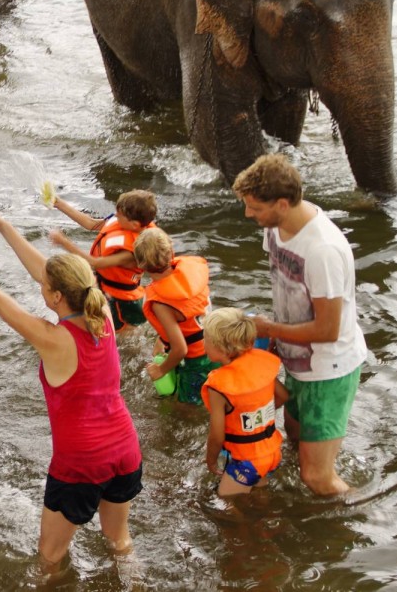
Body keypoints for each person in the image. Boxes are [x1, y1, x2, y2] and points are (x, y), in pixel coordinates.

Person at [0, 213, 143, 581]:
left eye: (44, 286)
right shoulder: (106, 317)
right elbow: (49, 272)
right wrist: (1, 226)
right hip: (125, 450)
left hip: (81, 463)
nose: (40, 285)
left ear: (57, 296)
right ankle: (139, 585)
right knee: (119, 541)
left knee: (49, 558)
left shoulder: (53, 339)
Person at [232, 153, 367, 496]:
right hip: (296, 360)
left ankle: (359, 516)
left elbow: (327, 331)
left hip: (329, 369)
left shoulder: (322, 250)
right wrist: (275, 338)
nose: (248, 215)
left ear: (281, 203)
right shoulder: (277, 229)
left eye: (255, 208)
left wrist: (269, 329)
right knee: (292, 441)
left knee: (316, 477)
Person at [201, 308, 288, 496]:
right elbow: (282, 395)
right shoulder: (260, 365)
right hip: (271, 451)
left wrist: (211, 460)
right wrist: (260, 414)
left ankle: (244, 526)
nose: (203, 343)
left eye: (205, 339)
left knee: (225, 503)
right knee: (259, 496)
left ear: (221, 347)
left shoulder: (218, 386)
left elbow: (216, 435)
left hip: (246, 462)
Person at [48, 190, 157, 332]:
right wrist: (59, 203)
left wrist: (63, 242)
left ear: (135, 224)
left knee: (117, 336)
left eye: (120, 215)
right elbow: (91, 223)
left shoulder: (132, 251)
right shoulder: (123, 222)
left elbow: (95, 263)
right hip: (104, 287)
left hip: (121, 302)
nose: (115, 216)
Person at [134, 227, 217, 404]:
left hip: (197, 361)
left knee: (188, 408)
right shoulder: (192, 275)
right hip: (218, 347)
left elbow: (181, 349)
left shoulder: (160, 302)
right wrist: (163, 340)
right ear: (171, 252)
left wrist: (161, 370)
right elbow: (190, 317)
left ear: (140, 265)